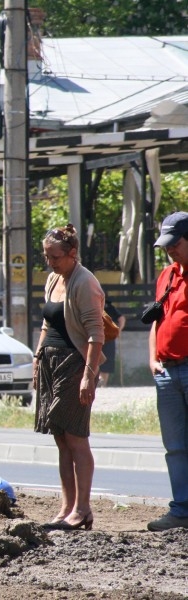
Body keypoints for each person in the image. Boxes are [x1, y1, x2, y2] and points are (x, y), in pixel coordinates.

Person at [33, 224, 105, 531]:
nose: (50, 262)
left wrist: (88, 376)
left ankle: (83, 509)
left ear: (72, 253)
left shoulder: (84, 282)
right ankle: (66, 507)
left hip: (74, 365)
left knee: (76, 437)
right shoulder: (53, 278)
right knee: (60, 438)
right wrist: (37, 358)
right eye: (47, 256)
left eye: (55, 257)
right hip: (51, 363)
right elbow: (47, 325)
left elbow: (95, 334)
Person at [146, 211, 188, 532]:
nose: (169, 250)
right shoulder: (167, 275)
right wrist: (153, 358)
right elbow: (157, 319)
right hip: (166, 372)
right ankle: (181, 510)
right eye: (166, 245)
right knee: (174, 446)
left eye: (175, 244)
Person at [98, 296, 125, 388]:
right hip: (108, 336)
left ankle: (99, 382)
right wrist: (118, 331)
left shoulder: (93, 305)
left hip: (97, 336)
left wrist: (118, 331)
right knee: (107, 359)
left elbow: (122, 319)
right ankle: (103, 384)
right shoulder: (110, 307)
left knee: (96, 357)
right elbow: (122, 319)